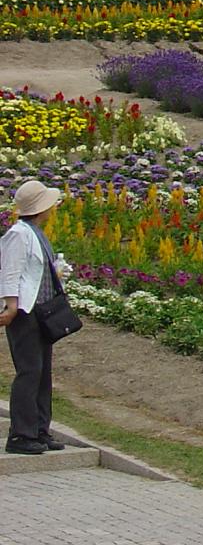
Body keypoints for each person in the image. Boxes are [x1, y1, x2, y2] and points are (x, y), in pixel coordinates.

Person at [0, 179, 73, 455]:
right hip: (24, 312)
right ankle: (21, 434)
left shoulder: (35, 232)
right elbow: (9, 271)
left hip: (41, 311)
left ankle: (40, 430)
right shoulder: (19, 234)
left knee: (42, 373)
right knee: (29, 372)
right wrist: (10, 305)